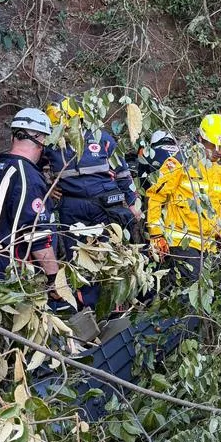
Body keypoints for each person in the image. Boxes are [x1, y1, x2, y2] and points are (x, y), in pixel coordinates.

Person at [44, 98, 140, 307]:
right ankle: (86, 304)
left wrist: (132, 202)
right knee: (78, 258)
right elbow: (35, 170)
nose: (63, 131)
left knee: (109, 255)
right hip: (72, 207)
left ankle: (115, 303)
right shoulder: (50, 145)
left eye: (66, 127)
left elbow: (123, 172)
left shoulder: (101, 139)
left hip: (103, 206)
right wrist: (48, 188)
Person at [0, 108, 61, 294]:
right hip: (20, 274)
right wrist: (54, 280)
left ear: (14, 136)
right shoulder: (26, 177)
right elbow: (36, 236)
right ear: (39, 139)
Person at [146, 114, 221, 282]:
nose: (218, 151)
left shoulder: (219, 172)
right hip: (181, 243)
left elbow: (216, 207)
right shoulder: (179, 163)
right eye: (213, 145)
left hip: (208, 246)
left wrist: (220, 234)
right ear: (201, 139)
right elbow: (155, 197)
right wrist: (156, 235)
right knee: (186, 290)